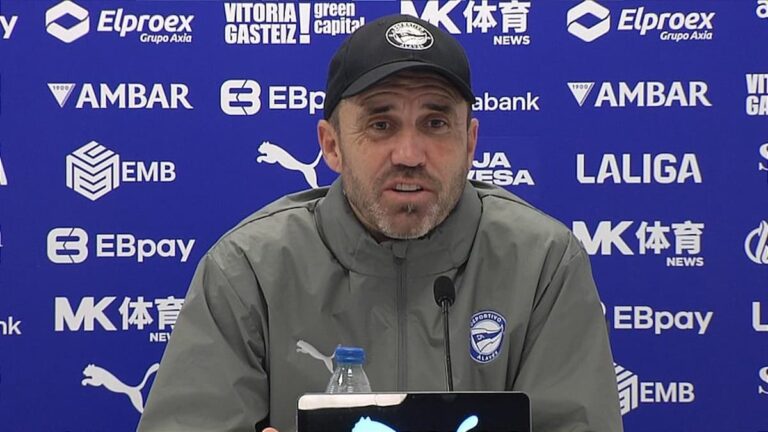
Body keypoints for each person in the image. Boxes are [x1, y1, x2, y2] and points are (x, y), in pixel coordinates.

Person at [138, 14, 623, 432]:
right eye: (381, 124)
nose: (409, 155)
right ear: (331, 145)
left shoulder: (543, 262)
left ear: (470, 142)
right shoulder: (249, 270)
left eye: (435, 123)